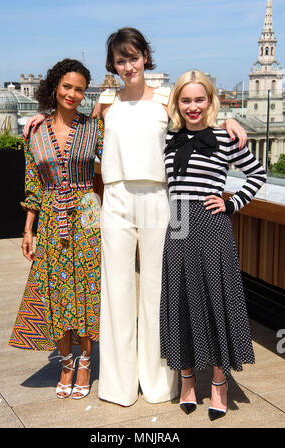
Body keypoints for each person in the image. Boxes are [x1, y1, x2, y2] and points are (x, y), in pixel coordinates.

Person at [22, 28, 248, 407]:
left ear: (146, 56)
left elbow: (198, 120)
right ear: (113, 65)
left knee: (160, 293)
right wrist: (40, 116)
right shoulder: (105, 102)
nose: (128, 66)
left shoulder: (165, 100)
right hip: (116, 197)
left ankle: (161, 384)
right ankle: (119, 385)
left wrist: (228, 122)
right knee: (117, 292)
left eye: (134, 57)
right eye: (121, 60)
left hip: (161, 198)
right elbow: (75, 127)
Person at [160, 69, 266, 420]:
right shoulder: (168, 137)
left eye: (199, 99)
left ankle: (219, 382)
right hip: (177, 221)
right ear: (177, 102)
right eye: (186, 100)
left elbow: (258, 174)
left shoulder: (224, 138)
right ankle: (187, 380)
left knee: (216, 298)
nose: (193, 106)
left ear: (210, 101)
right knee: (181, 301)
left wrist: (231, 203)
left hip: (210, 222)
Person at [9, 59, 104, 400]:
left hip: (87, 216)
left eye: (80, 89)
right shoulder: (34, 131)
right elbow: (31, 184)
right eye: (67, 87)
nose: (73, 94)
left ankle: (86, 362)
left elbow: (124, 158)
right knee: (55, 291)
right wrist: (28, 229)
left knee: (87, 291)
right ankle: (66, 361)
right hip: (50, 217)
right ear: (54, 87)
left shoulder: (96, 128)